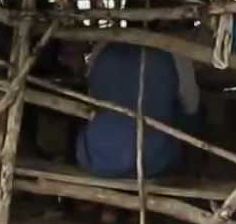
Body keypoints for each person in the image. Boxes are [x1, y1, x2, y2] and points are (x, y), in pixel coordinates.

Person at [64, 41, 201, 179]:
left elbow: (93, 98)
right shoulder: (175, 51)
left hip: (96, 158)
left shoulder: (102, 47)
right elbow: (192, 107)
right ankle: (193, 174)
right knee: (189, 118)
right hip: (153, 162)